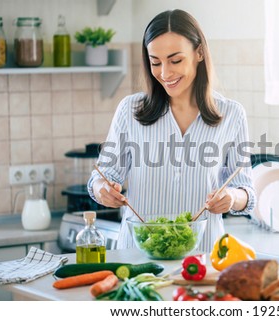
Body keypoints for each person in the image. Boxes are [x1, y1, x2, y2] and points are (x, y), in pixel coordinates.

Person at [87, 9, 256, 252]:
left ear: (199, 52)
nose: (165, 74)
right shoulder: (130, 110)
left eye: (175, 60)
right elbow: (100, 178)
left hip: (202, 260)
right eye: (156, 62)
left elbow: (247, 192)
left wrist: (232, 198)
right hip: (138, 259)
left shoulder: (231, 115)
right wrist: (103, 190)